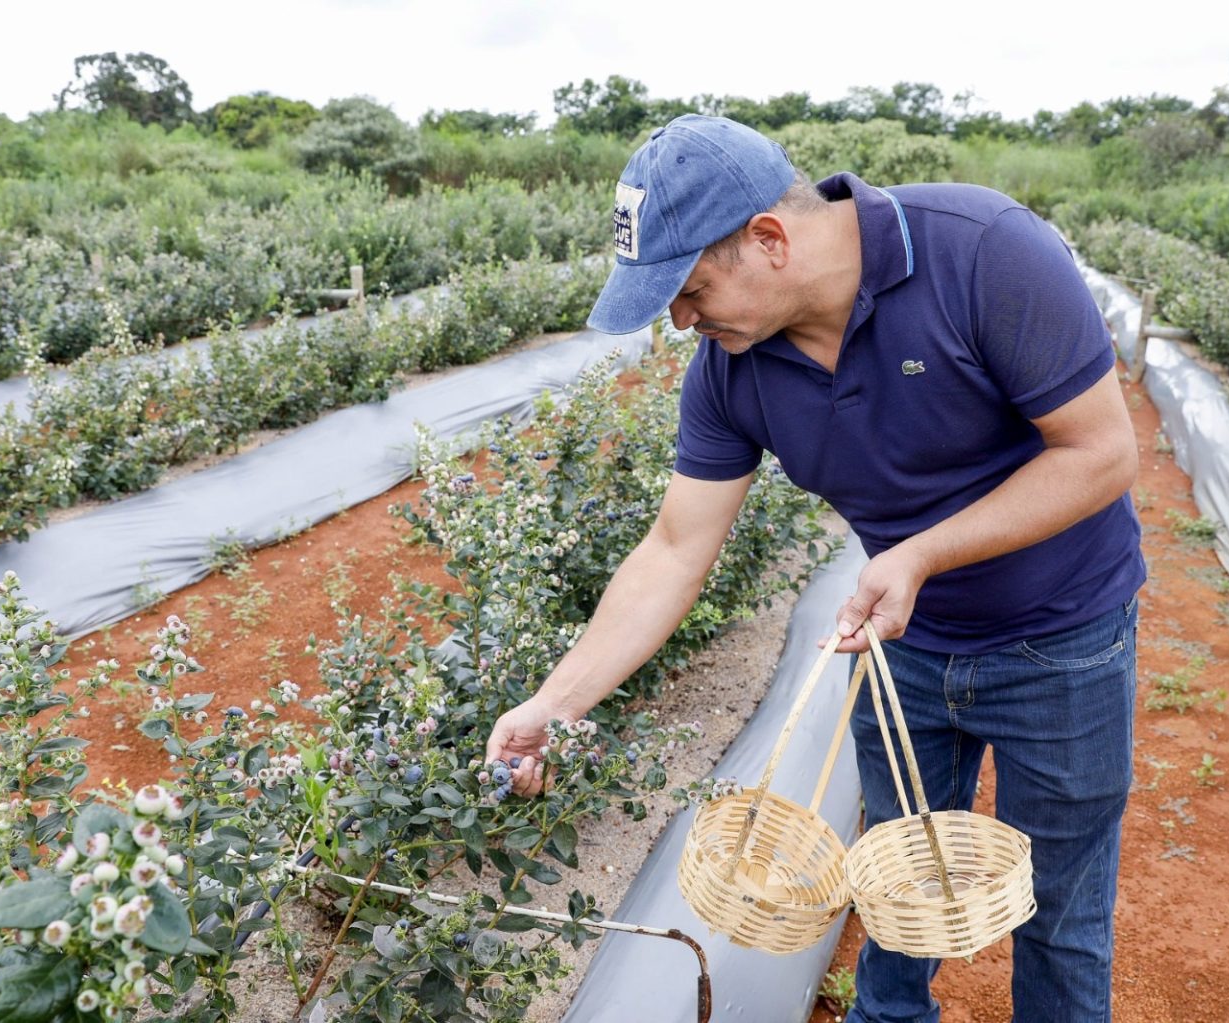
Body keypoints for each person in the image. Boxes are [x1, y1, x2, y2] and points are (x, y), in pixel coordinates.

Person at [483, 114, 1144, 1022]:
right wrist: (552, 704)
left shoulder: (985, 253)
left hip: (1061, 640)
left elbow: (1102, 452)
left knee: (1059, 911)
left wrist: (922, 553)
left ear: (769, 239)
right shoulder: (729, 369)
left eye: (689, 288)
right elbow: (675, 548)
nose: (680, 320)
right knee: (893, 876)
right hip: (901, 646)